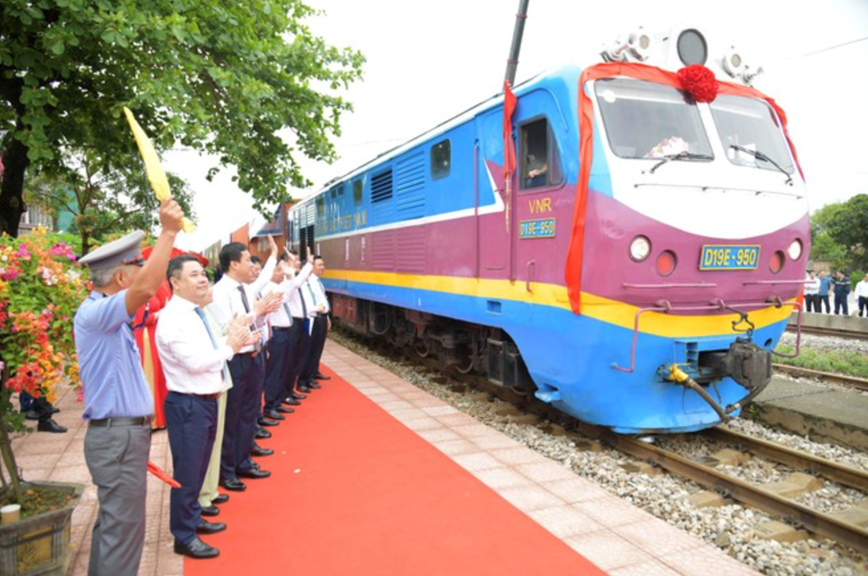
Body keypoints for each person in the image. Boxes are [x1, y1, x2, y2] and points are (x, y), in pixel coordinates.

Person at [74, 197, 184, 576]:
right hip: (117, 437)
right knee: (123, 535)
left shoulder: (104, 315)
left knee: (116, 530)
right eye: (137, 266)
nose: (143, 274)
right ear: (121, 279)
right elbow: (146, 289)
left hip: (120, 436)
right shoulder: (97, 312)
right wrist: (168, 232)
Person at [156, 255, 253, 559]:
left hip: (205, 402)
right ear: (175, 282)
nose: (202, 279)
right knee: (186, 472)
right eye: (194, 275)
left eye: (202, 274)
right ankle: (183, 535)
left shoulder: (195, 313)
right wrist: (230, 348)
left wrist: (230, 340)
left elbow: (208, 352)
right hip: (189, 405)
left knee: (197, 468)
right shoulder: (173, 318)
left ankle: (193, 517)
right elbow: (195, 362)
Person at [207, 237, 282, 492]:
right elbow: (229, 327)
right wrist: (257, 312)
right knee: (233, 417)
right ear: (233, 264)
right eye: (248, 260)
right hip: (236, 360)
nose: (252, 265)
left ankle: (243, 460)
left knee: (249, 413)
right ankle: (227, 470)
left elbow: (253, 321)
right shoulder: (219, 293)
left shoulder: (245, 289)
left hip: (254, 355)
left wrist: (262, 316)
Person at [262, 250, 314, 419]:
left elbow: (292, 285)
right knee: (276, 371)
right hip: (277, 335)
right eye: (278, 271)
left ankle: (278, 400)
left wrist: (294, 270)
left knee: (285, 368)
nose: (281, 274)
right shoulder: (269, 289)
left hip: (285, 332)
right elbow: (292, 286)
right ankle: (271, 405)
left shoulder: (278, 287)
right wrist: (291, 272)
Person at [132, 279, 172, 429]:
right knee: (150, 374)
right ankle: (151, 418)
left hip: (153, 333)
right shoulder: (138, 288)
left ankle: (160, 417)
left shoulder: (159, 283)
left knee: (158, 376)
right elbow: (141, 318)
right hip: (145, 334)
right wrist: (160, 313)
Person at [297, 255, 331, 392]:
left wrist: (326, 316)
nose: (322, 267)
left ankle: (312, 373)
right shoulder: (307, 283)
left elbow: (321, 299)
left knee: (317, 348)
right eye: (319, 265)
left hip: (320, 316)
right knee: (308, 350)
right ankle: (304, 379)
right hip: (311, 318)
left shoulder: (317, 282)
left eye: (323, 264)